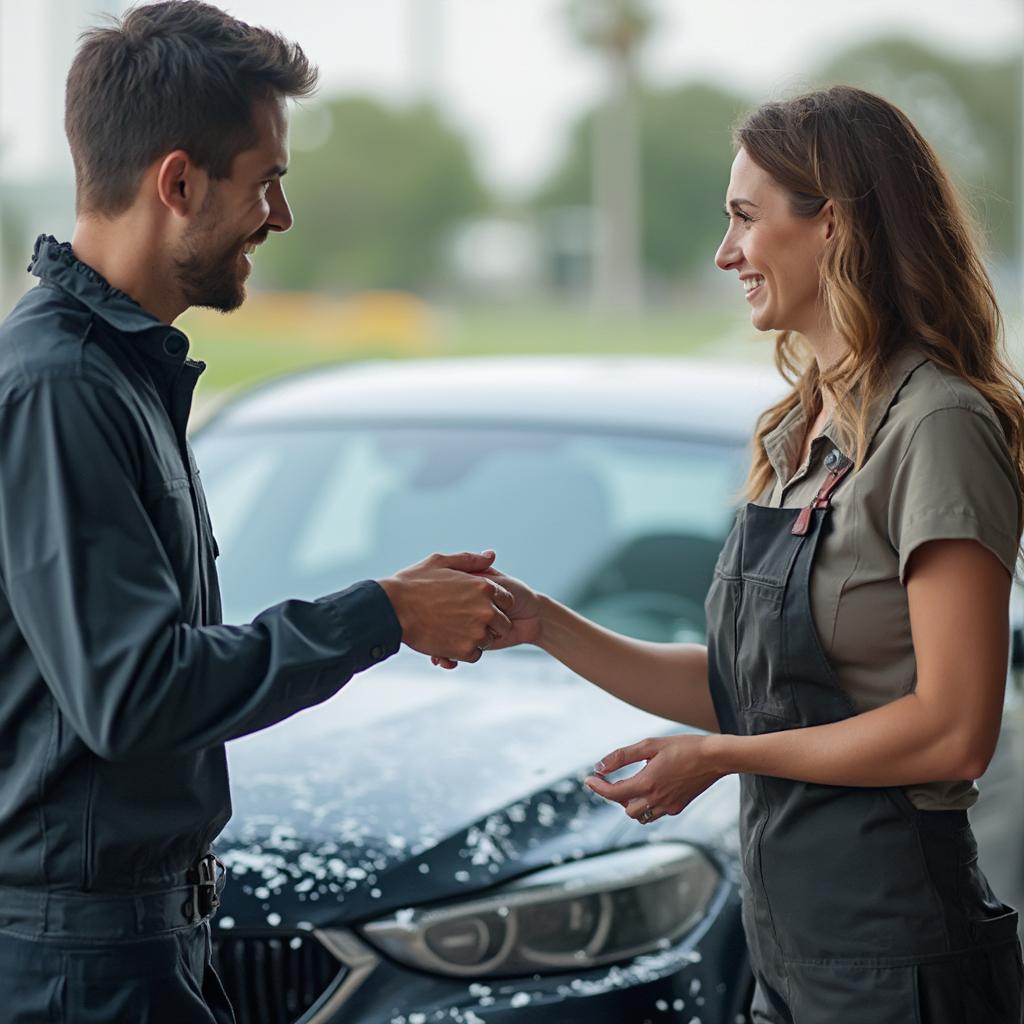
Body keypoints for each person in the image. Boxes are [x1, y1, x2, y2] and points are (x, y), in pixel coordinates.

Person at [454, 86, 1024, 1021]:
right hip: (791, 963)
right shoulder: (798, 432)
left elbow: (954, 729)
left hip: (899, 962)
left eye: (745, 220)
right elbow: (747, 689)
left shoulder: (938, 427)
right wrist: (545, 624)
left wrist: (718, 758)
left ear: (831, 226)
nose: (726, 254)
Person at [0, 3, 512, 1021]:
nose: (279, 217)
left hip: (143, 943)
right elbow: (134, 693)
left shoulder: (121, 373)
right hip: (81, 970)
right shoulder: (63, 389)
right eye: (267, 180)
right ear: (178, 183)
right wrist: (384, 614)